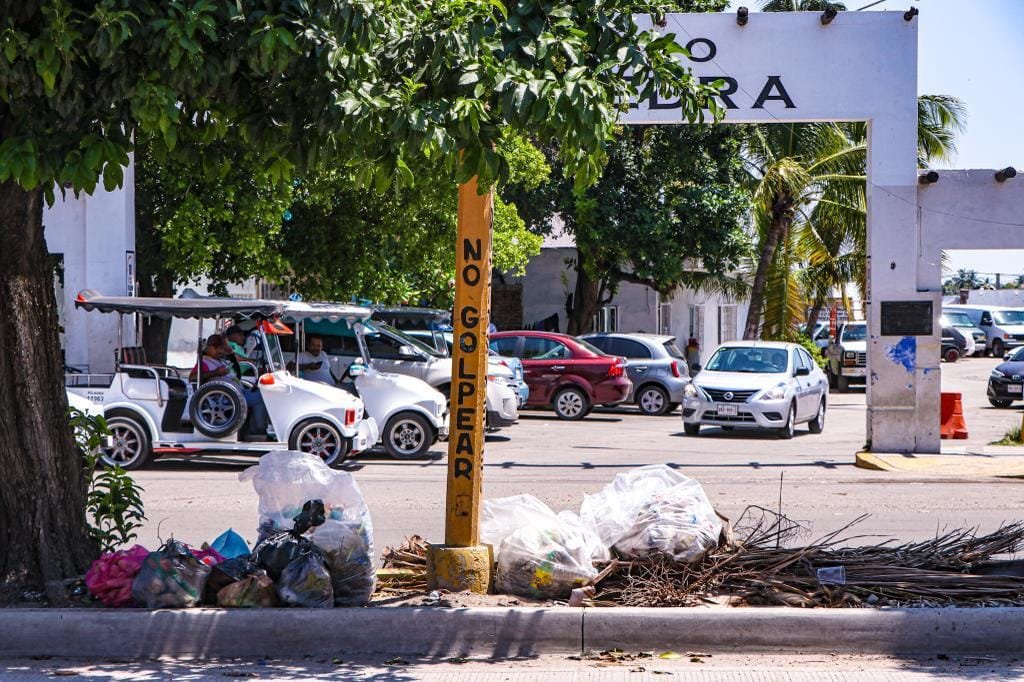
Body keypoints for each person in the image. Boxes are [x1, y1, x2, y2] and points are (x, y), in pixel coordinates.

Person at [190, 334, 270, 437]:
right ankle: (257, 430)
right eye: (219, 350)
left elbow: (237, 372)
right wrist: (216, 372)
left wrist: (231, 354)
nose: (221, 353)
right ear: (211, 347)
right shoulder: (204, 362)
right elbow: (192, 378)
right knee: (260, 397)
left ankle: (255, 429)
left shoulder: (218, 360)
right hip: (226, 398)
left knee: (262, 392)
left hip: (237, 392)